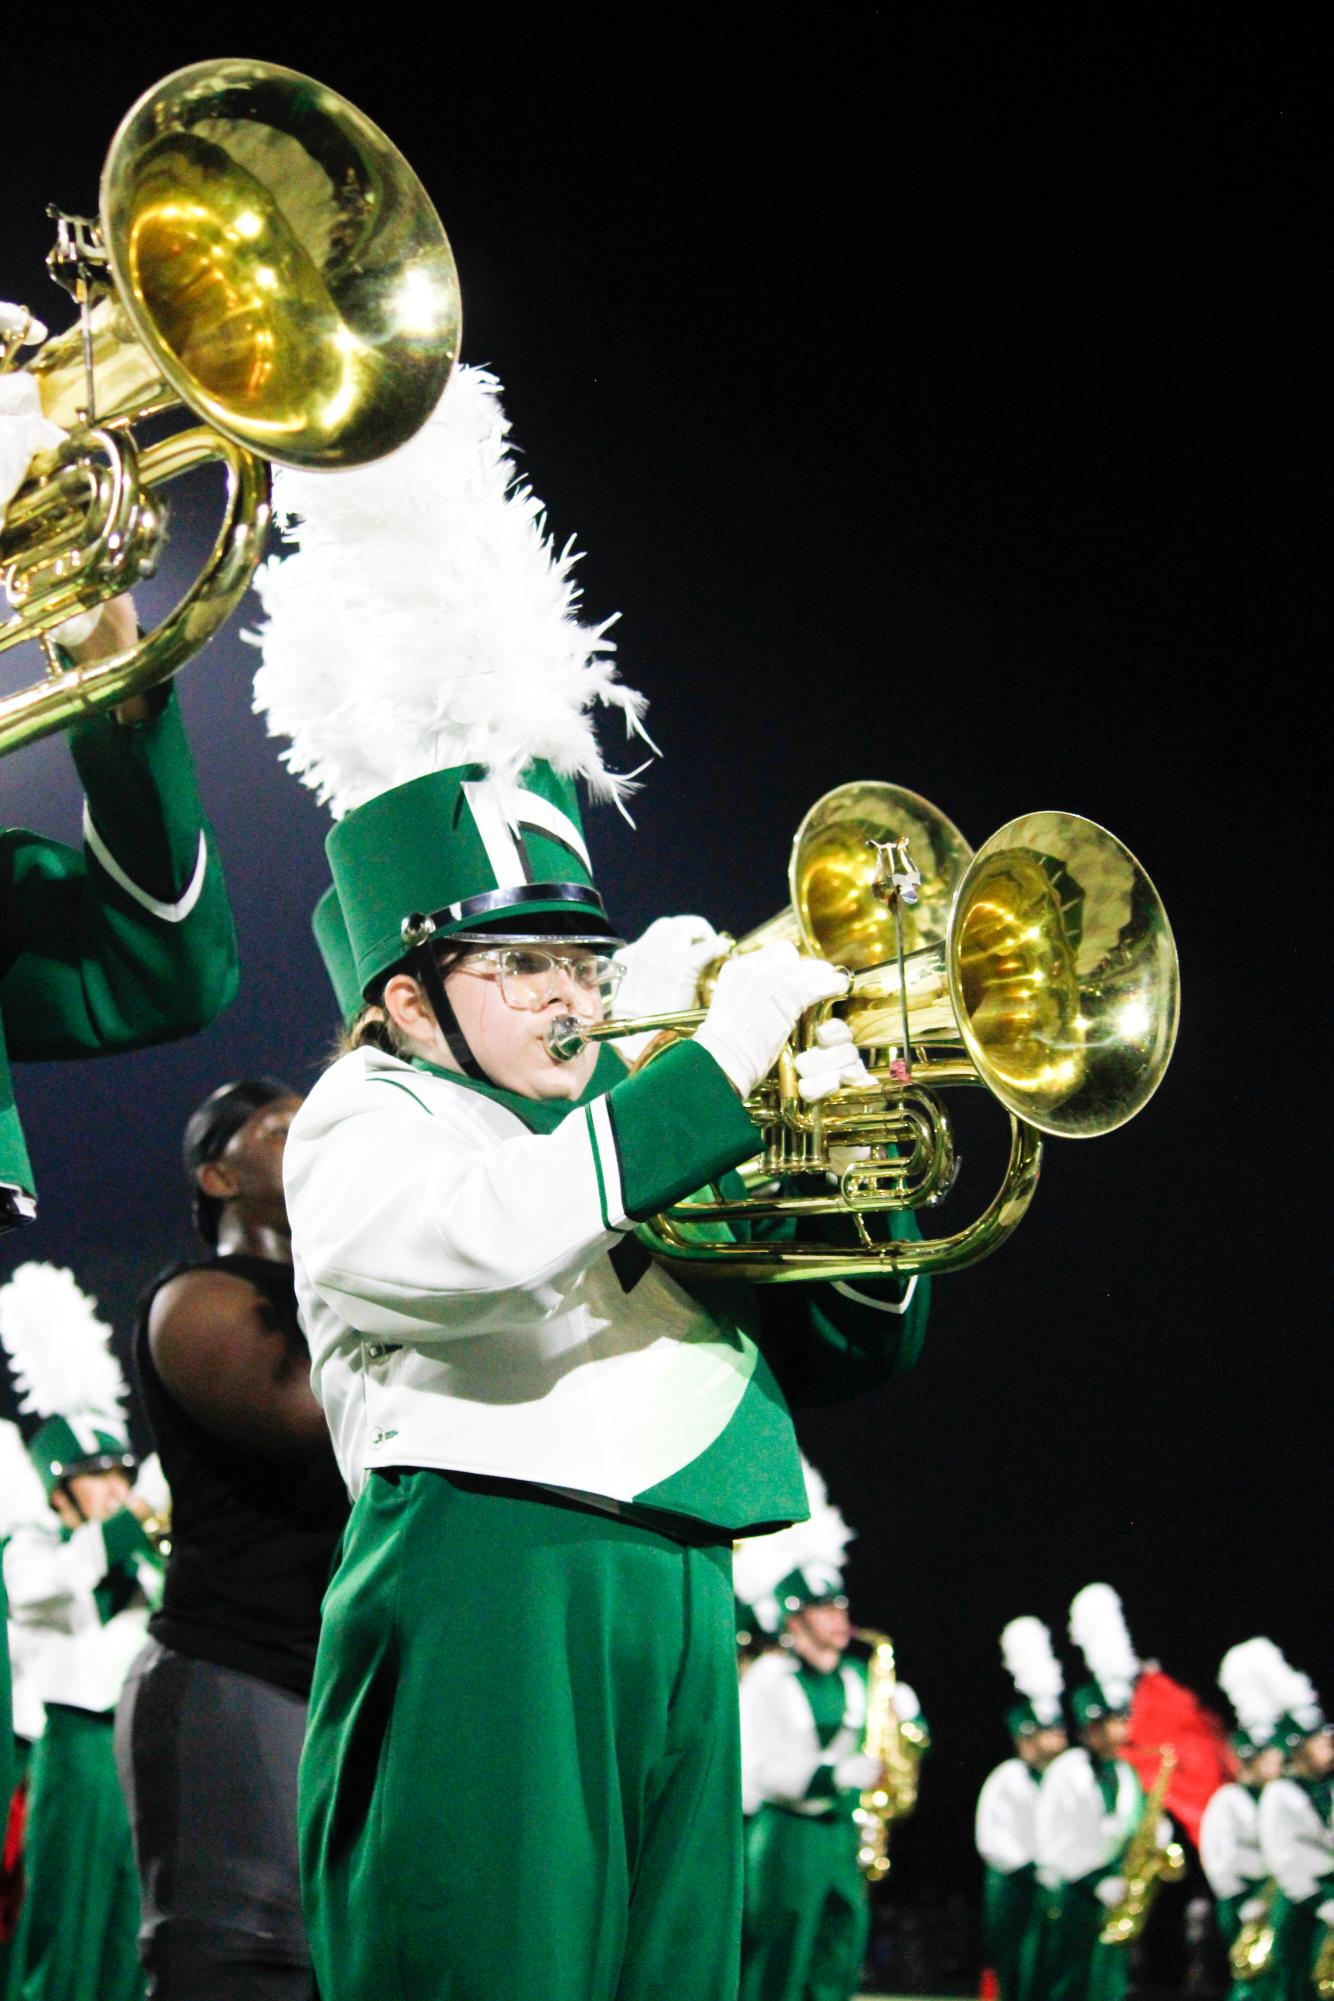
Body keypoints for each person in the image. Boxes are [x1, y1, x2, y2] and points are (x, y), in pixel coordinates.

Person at [250, 360, 931, 2001]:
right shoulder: (368, 1120)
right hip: (492, 1585)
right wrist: (701, 1083)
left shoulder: (618, 1118)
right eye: (515, 969)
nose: (567, 997)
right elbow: (483, 1247)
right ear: (405, 994)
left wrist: (854, 1158)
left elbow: (849, 1357)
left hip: (682, 1591)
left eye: (576, 957)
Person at [114, 1077, 348, 2001]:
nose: (316, 1131)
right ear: (218, 1174)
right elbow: (303, 1407)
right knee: (247, 1970)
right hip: (236, 1672)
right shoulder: (196, 1297)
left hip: (330, 1673)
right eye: (282, 1126)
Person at [0, 1263, 166, 2001]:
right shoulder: (34, 1543)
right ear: (61, 1483)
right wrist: (119, 1534)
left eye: (121, 1472)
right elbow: (39, 1590)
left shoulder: (143, 1544)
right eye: (97, 1476)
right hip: (69, 1747)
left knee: (133, 1927)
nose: (116, 1489)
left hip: (141, 1744)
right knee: (63, 1924)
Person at [733, 1466, 926, 2001]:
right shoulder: (769, 1677)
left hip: (841, 1835)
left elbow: (900, 1739)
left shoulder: (857, 1677)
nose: (838, 1618)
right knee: (777, 1961)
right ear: (794, 1620)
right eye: (822, 1607)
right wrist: (830, 1774)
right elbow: (758, 1767)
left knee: (838, 1955)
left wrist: (908, 1725)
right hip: (785, 1835)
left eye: (839, 1605)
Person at [1023, 1585, 1173, 2001]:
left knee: (1108, 1983)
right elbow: (1053, 1842)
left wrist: (1156, 1836)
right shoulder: (1068, 1771)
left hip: (1115, 1890)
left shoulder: (1124, 1772)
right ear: (1091, 1727)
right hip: (1074, 1895)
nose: (1124, 1730)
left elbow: (1134, 1818)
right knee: (1069, 1981)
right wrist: (1093, 1881)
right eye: (1114, 1721)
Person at [974, 1616, 1069, 2001]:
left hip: (1055, 1882)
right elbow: (992, 1839)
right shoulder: (1008, 1777)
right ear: (1026, 1739)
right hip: (1015, 1885)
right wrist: (1031, 1867)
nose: (1058, 1739)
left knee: (1052, 1968)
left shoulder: (1068, 1776)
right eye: (1049, 1732)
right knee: (1014, 1966)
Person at [1255, 1648, 1334, 2001]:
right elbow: (1285, 1857)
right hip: (1302, 1903)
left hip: (1330, 1897)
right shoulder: (1279, 1794)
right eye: (1320, 1740)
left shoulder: (1328, 1788)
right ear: (1298, 1747)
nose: (1329, 1745)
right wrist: (1320, 1902)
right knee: (1297, 1985)